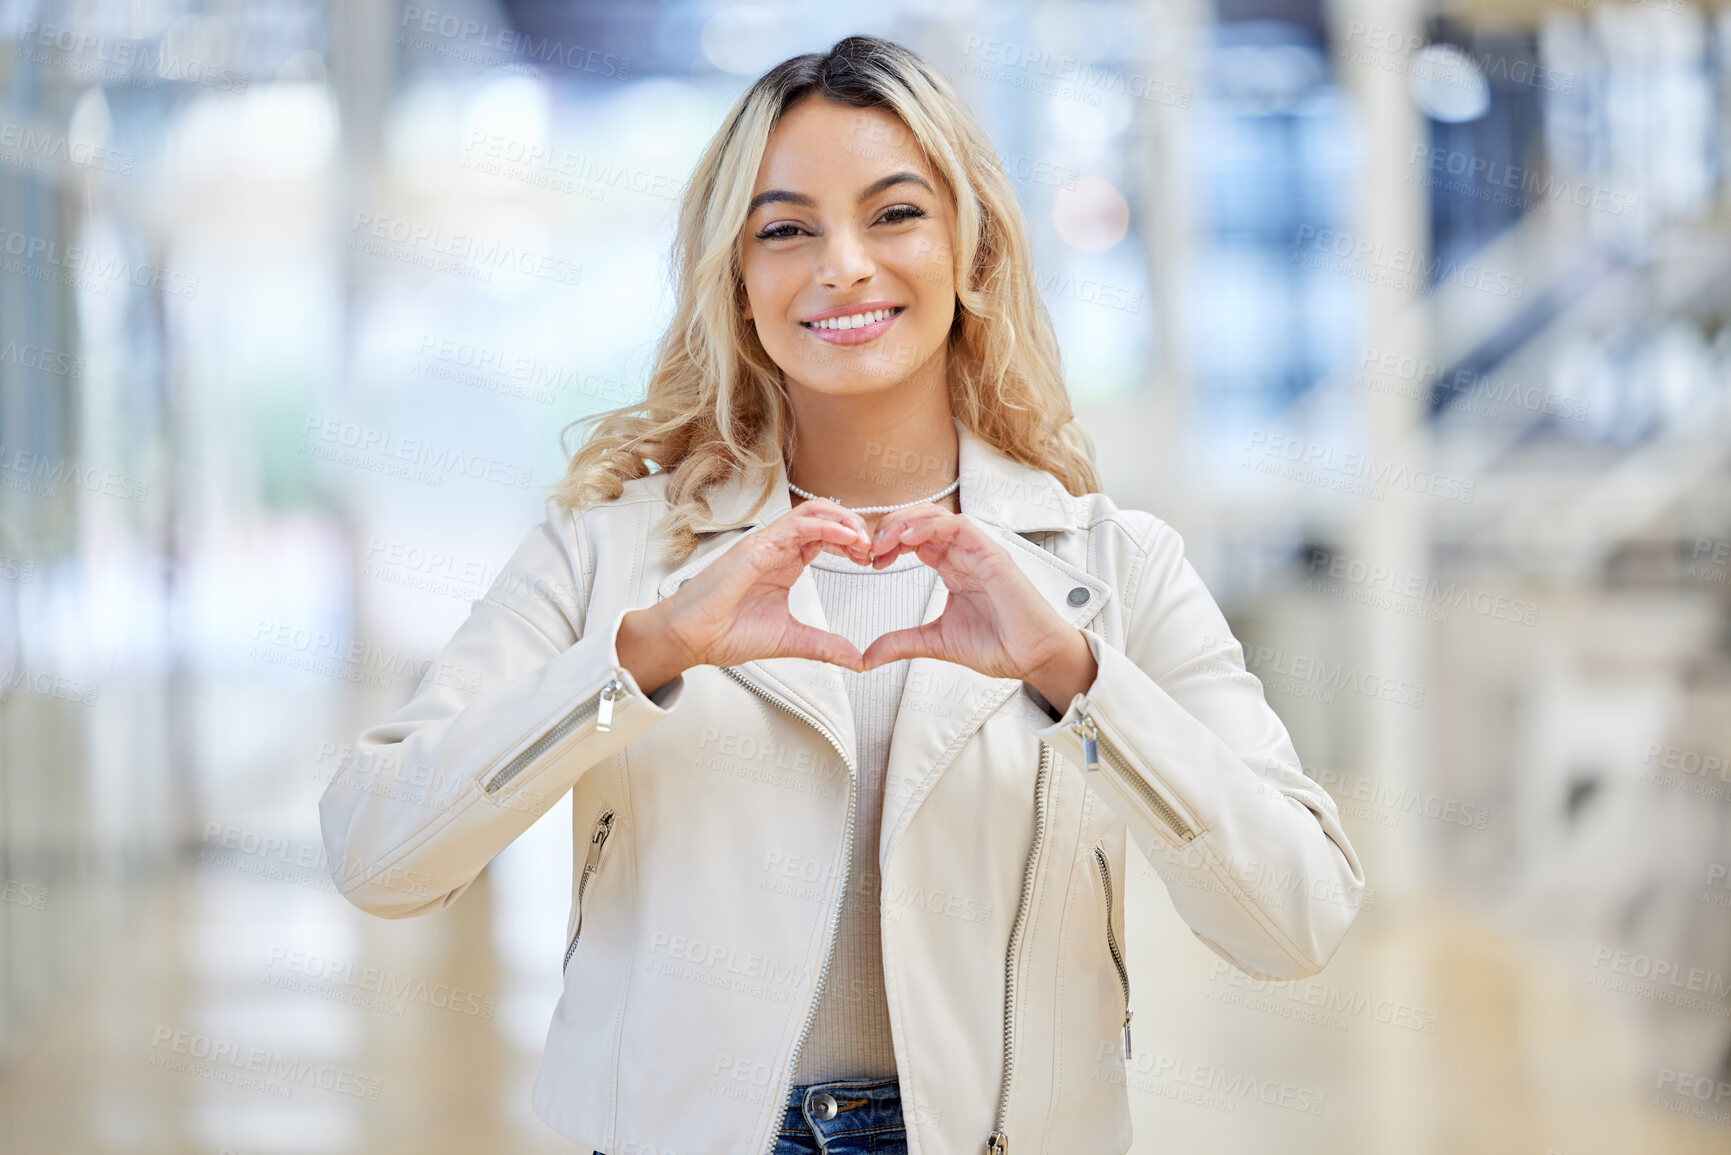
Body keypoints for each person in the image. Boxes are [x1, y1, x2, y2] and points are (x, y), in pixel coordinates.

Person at [319, 34, 1365, 1155]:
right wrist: (642, 659)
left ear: (972, 252)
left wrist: (1076, 680)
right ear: (738, 279)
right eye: (786, 230)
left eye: (895, 214)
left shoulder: (1115, 571)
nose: (845, 265)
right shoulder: (607, 559)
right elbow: (380, 855)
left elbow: (1294, 920)